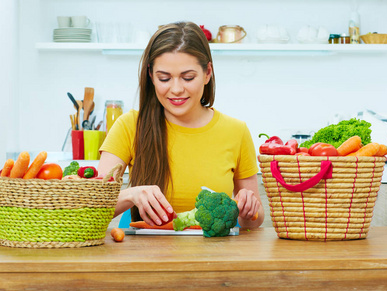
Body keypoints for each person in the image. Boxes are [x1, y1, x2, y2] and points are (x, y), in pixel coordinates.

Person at [98, 21, 264, 228]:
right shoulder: (129, 126)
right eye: (164, 78)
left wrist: (249, 210)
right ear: (151, 75)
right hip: (146, 256)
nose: (176, 89)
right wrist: (131, 194)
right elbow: (92, 206)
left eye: (187, 77)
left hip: (215, 257)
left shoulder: (236, 131)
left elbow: (254, 222)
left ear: (207, 73)